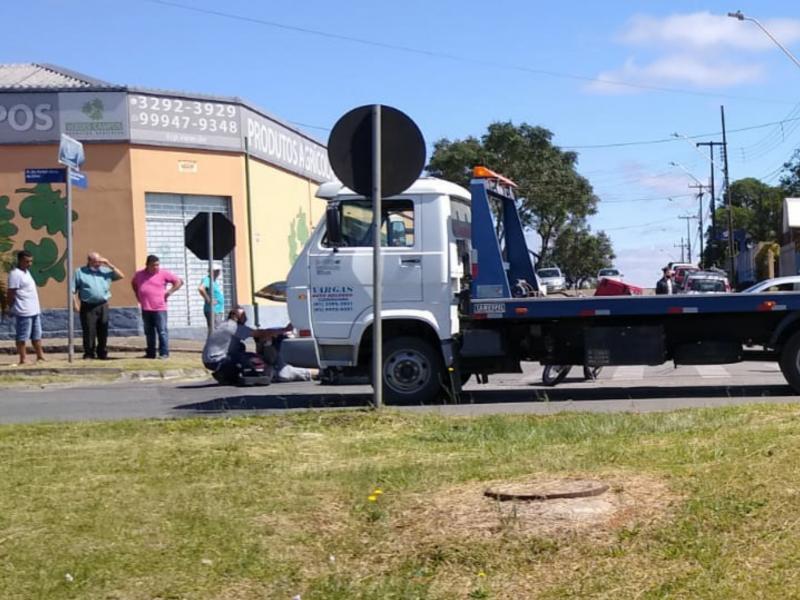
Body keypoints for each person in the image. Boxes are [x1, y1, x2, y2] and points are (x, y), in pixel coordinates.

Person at [202, 306, 292, 382]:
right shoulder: (233, 327)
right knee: (252, 359)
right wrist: (284, 330)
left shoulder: (224, 324)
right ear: (235, 316)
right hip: (217, 360)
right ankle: (253, 375)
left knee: (241, 347)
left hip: (209, 359)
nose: (246, 318)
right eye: (243, 316)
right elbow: (261, 333)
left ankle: (226, 374)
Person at [72, 252, 124, 359]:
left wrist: (109, 264)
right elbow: (72, 290)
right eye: (96, 261)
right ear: (89, 261)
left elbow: (121, 276)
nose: (98, 263)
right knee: (89, 330)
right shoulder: (80, 272)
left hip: (103, 304)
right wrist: (74, 304)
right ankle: (89, 353)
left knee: (103, 329)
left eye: (100, 261)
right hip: (88, 305)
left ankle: (102, 352)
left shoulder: (104, 271)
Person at [131, 255, 183, 359]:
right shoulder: (139, 274)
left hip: (159, 308)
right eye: (154, 265)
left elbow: (178, 282)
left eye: (158, 265)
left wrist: (169, 292)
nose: (156, 267)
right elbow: (134, 284)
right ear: (148, 265)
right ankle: (150, 353)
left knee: (162, 331)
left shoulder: (163, 273)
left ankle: (164, 353)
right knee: (149, 331)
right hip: (146, 307)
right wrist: (138, 295)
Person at [5, 250, 45, 365]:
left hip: (34, 310)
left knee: (37, 335)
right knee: (22, 336)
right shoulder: (15, 274)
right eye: (27, 261)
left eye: (31, 261)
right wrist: (9, 307)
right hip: (23, 311)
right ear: (20, 260)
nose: (29, 264)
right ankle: (23, 358)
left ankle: (40, 356)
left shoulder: (26, 272)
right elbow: (11, 292)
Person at [198, 263, 224, 329]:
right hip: (213, 310)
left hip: (217, 310)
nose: (219, 273)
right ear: (213, 271)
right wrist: (208, 299)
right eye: (218, 271)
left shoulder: (213, 281)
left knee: (215, 331)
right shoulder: (207, 279)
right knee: (215, 331)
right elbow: (201, 288)